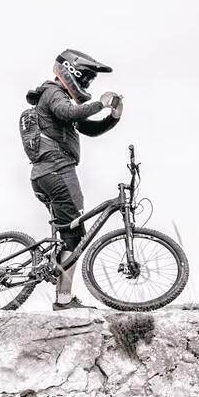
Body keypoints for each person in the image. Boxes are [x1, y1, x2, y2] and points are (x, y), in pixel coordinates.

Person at [25, 50, 124, 310]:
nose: (88, 83)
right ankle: (63, 300)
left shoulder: (54, 98)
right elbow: (70, 113)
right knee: (75, 236)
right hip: (58, 171)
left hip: (46, 173)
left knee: (68, 234)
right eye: (87, 77)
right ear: (72, 71)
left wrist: (113, 117)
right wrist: (100, 103)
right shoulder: (53, 93)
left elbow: (86, 127)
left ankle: (59, 286)